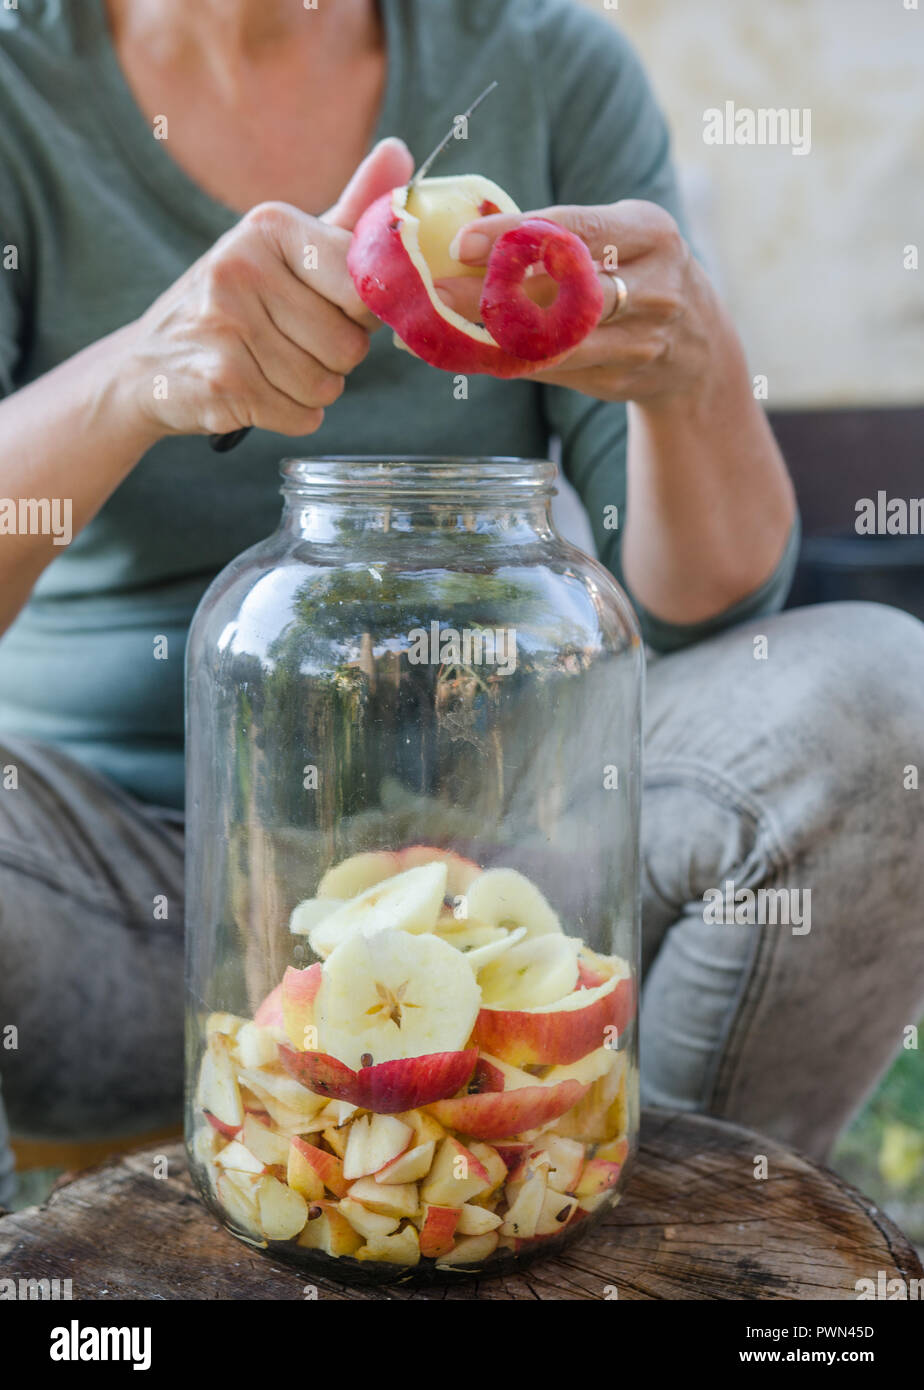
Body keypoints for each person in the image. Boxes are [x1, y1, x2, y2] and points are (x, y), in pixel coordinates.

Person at [0, 0, 921, 1211]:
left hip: (520, 890)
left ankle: (658, 1239)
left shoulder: (544, 63)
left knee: (878, 700)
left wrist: (690, 368)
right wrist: (134, 372)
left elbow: (701, 618)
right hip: (103, 904)